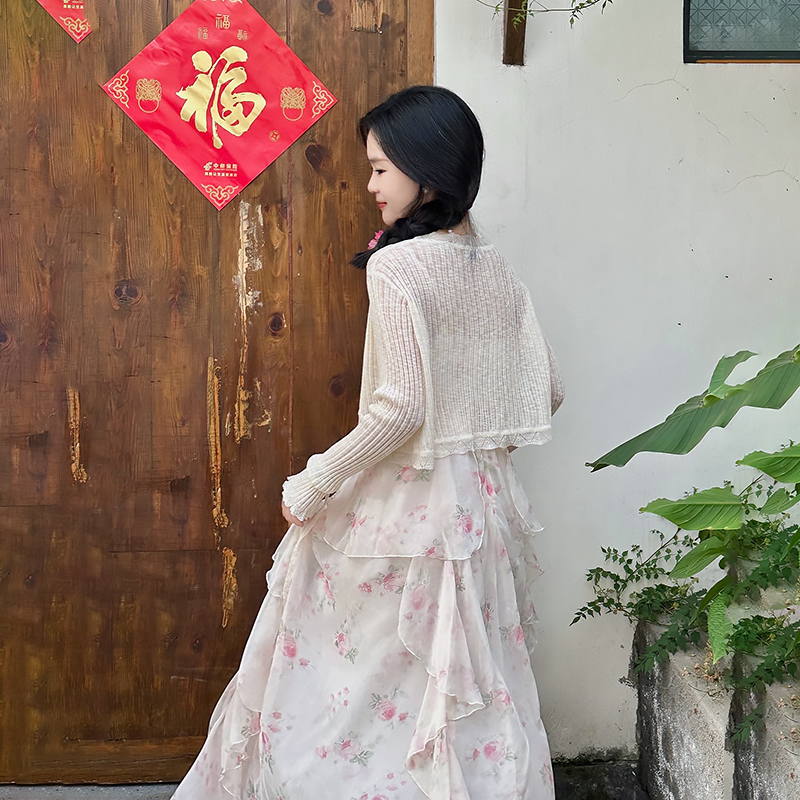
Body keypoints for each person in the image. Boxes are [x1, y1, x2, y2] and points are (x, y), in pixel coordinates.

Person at [172, 85, 563, 800]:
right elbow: (548, 388)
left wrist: (317, 480)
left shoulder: (399, 265)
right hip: (476, 507)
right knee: (460, 687)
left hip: (407, 509)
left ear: (428, 170)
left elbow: (401, 409)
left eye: (382, 168)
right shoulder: (493, 265)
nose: (372, 185)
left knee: (351, 686)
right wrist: (471, 428)